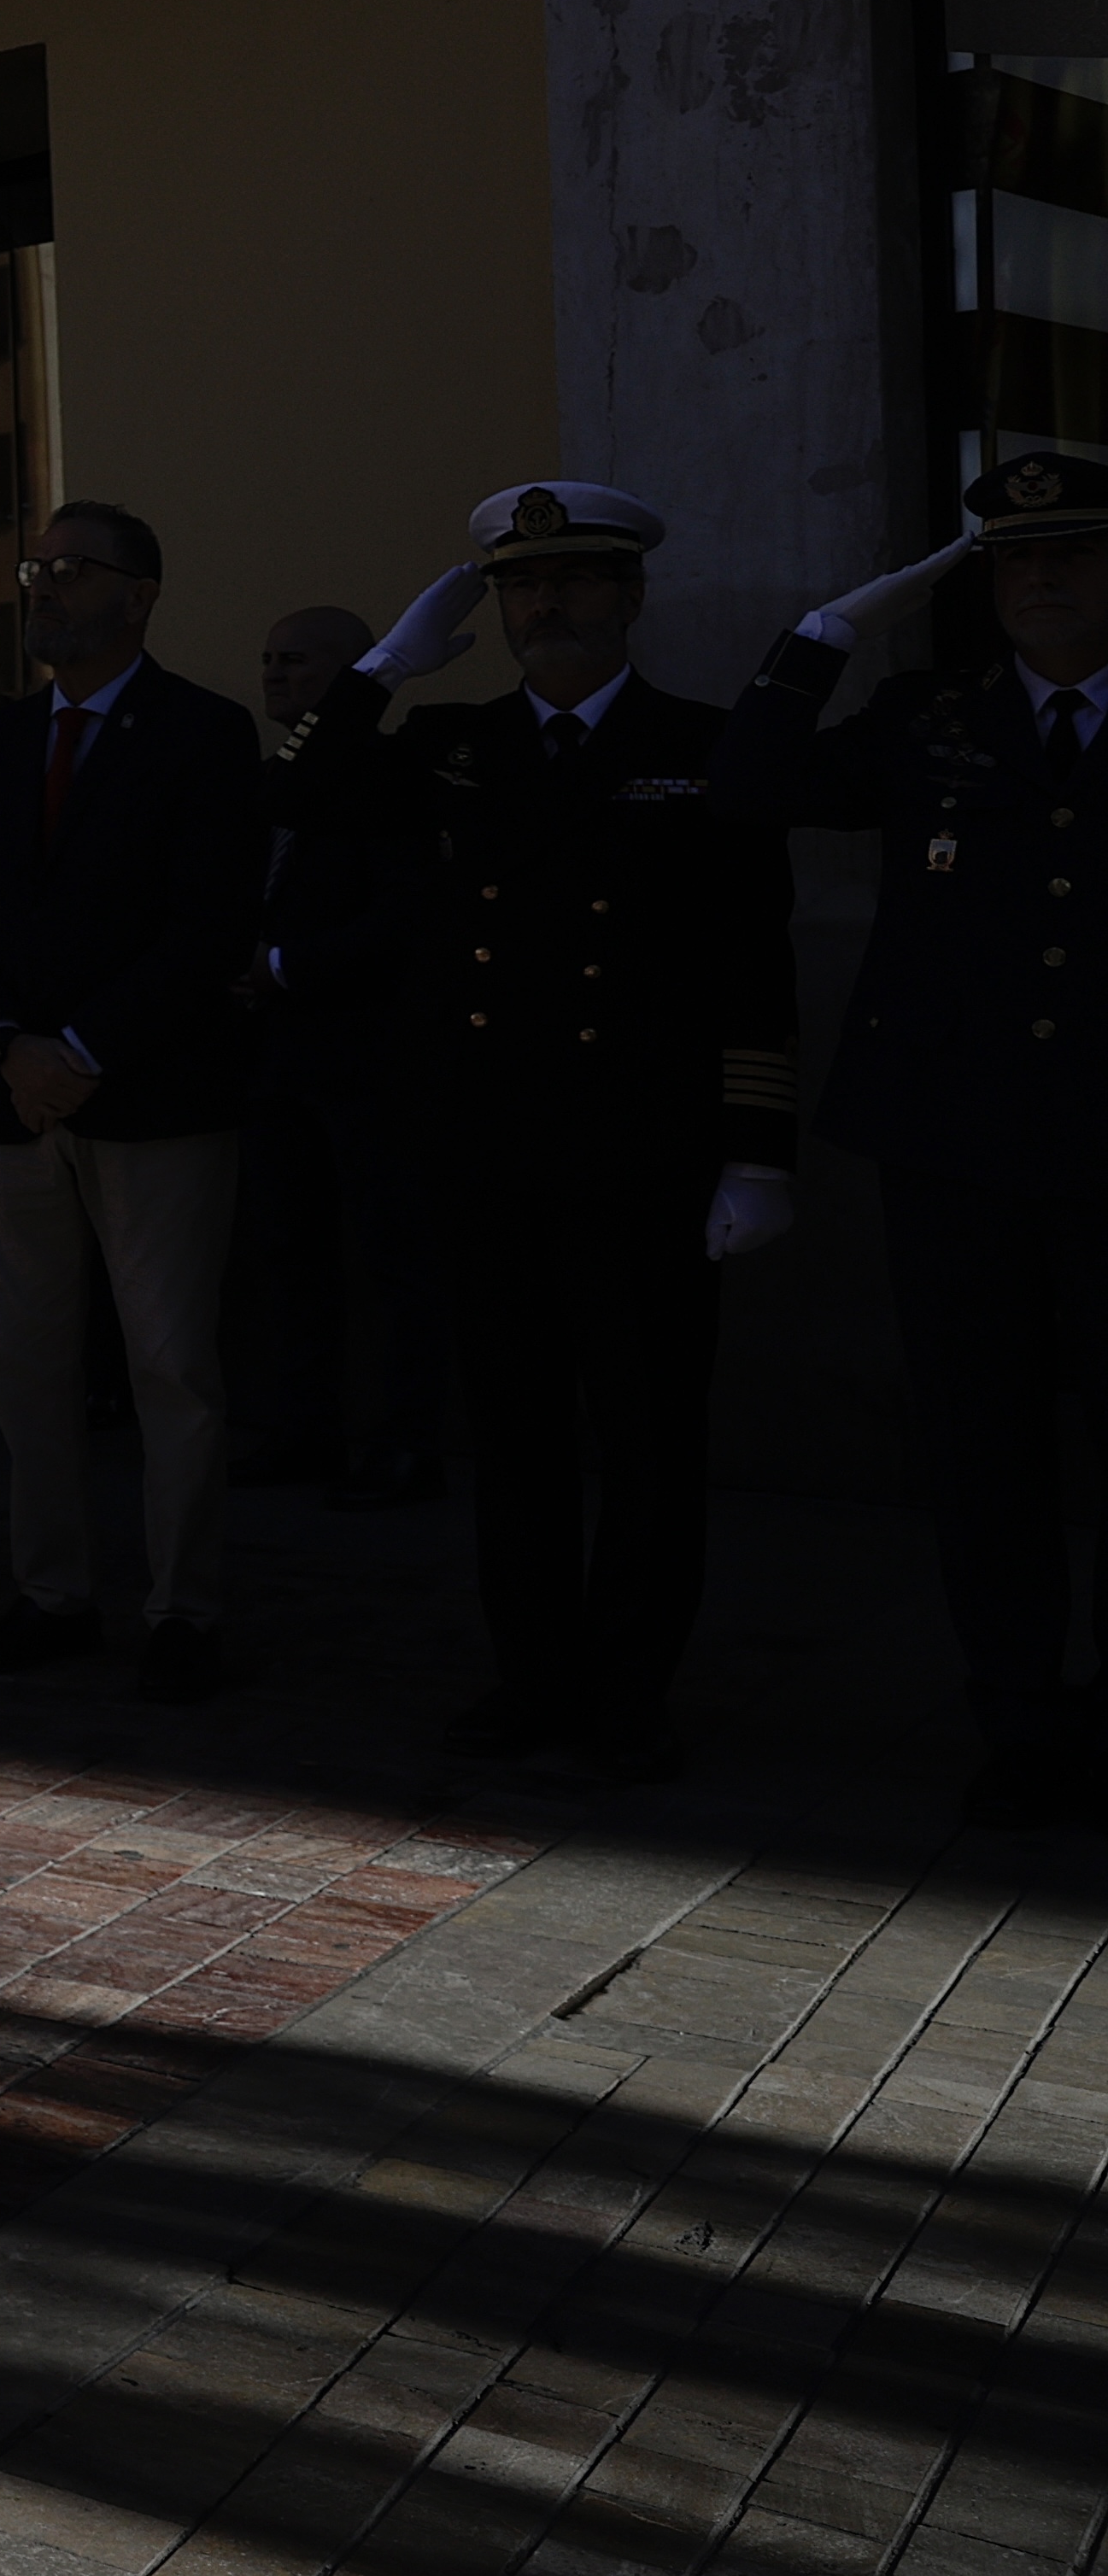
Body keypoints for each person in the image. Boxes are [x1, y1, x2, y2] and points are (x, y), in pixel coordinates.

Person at [280, 486, 794, 1779]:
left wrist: (756, 1150)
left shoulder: (704, 745)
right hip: (490, 1153)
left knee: (648, 1442)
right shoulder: (455, 743)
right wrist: (385, 667)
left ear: (629, 598)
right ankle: (531, 1678)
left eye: (571, 583)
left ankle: (630, 1692)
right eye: (520, 587)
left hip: (647, 1157)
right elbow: (308, 795)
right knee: (514, 1441)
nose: (544, 606)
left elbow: (753, 960)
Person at [711, 450, 1108, 1825]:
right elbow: (749, 785)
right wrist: (825, 635)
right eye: (1015, 558)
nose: (1045, 578)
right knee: (983, 1454)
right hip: (957, 1152)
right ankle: (1021, 1721)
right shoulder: (925, 713)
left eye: (1072, 554)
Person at [0, 500, 264, 1702]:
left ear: (140, 595)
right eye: (36, 569)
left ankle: (185, 1607)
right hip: (14, 1103)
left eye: (73, 570)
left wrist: (84, 1044)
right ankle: (52, 1591)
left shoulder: (207, 735)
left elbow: (209, 924)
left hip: (153, 1100)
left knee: (172, 1366)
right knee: (25, 1365)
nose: (45, 589)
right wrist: (11, 1042)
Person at [234, 605, 442, 1502]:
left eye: (299, 663)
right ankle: (301, 1430)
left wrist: (282, 966)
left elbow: (405, 920)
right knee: (288, 1253)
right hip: (273, 1060)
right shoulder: (267, 783)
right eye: (270, 660)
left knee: (386, 1258)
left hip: (365, 1061)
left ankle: (400, 1440)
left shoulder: (386, 781)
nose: (277, 676)